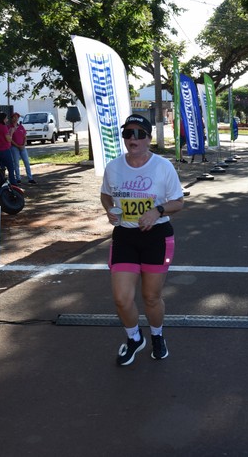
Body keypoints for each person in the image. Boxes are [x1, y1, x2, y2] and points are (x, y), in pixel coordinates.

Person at [100, 114, 184, 366]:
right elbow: (105, 195)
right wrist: (110, 210)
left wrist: (157, 210)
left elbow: (179, 202)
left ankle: (157, 336)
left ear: (148, 138)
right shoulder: (113, 167)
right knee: (121, 298)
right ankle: (134, 338)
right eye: (128, 133)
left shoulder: (163, 167)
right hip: (125, 236)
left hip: (156, 237)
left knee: (151, 297)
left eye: (138, 134)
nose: (132, 139)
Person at [9, 112, 36, 184]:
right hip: (14, 147)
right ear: (11, 118)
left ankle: (30, 178)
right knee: (16, 163)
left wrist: (23, 144)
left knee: (26, 162)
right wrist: (17, 145)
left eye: (17, 117)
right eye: (14, 117)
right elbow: (10, 139)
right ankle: (18, 178)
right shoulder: (9, 127)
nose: (15, 119)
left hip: (22, 147)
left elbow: (25, 137)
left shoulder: (21, 127)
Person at [0, 112, 17, 184]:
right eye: (6, 118)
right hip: (5, 149)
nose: (7, 120)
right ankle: (13, 182)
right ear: (3, 119)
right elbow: (8, 139)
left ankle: (2, 182)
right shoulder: (4, 127)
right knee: (10, 167)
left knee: (1, 168)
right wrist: (12, 132)